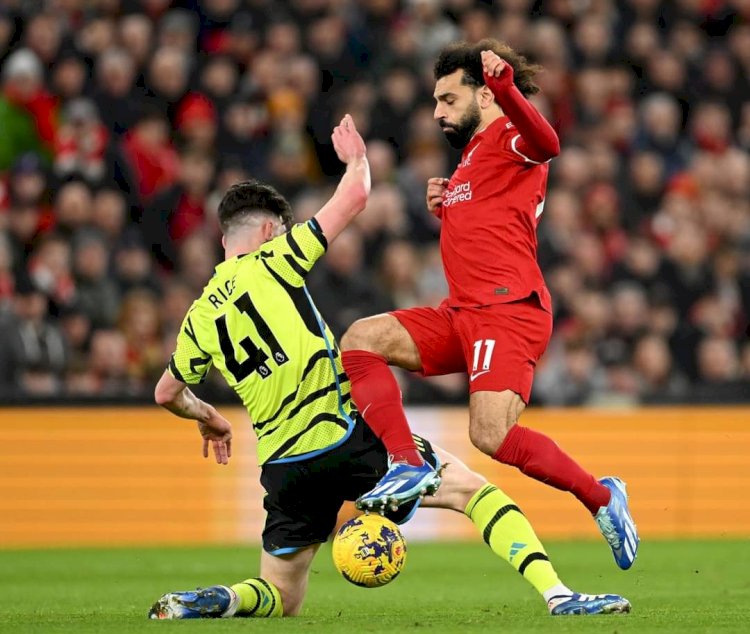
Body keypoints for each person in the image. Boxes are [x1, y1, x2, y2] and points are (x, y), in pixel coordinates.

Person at [148, 116, 630, 619]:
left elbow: (166, 393)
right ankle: (558, 594)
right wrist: (357, 159)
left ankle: (216, 601)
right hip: (341, 434)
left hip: (283, 466)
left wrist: (209, 416)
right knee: (475, 492)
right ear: (269, 231)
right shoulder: (274, 260)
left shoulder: (197, 319)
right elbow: (355, 197)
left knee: (282, 597)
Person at [339, 40, 639, 570]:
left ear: (484, 93)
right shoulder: (472, 158)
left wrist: (506, 89)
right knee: (362, 339)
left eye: (448, 99)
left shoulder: (508, 134)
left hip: (508, 310)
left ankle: (602, 496)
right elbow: (488, 229)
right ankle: (406, 464)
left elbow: (548, 142)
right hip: (462, 313)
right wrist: (445, 205)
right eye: (435, 101)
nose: (437, 112)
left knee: (489, 435)